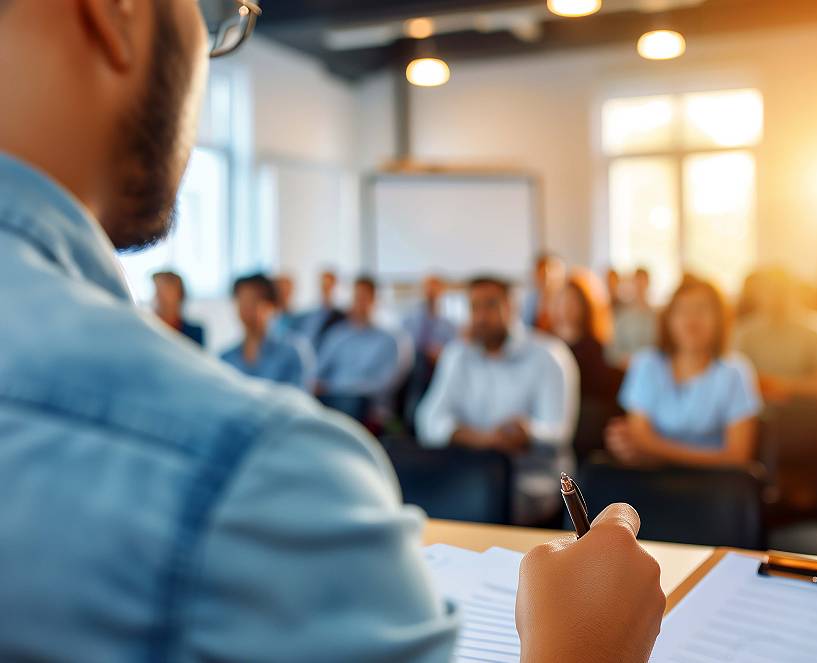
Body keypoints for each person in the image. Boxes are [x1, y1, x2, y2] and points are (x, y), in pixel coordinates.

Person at [0, 1, 665, 660]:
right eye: (213, 18)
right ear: (117, 12)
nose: (211, 52)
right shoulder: (259, 475)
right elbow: (432, 420)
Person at [416, 276, 580, 525]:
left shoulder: (548, 355)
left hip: (529, 483)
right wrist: (484, 440)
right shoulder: (458, 355)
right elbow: (428, 420)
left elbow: (558, 432)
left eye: (491, 305)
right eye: (475, 307)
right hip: (467, 474)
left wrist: (528, 433)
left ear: (512, 307)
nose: (481, 316)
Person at [605, 276, 762, 468]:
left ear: (720, 319)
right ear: (668, 318)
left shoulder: (735, 371)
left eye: (702, 309)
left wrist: (655, 454)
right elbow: (639, 436)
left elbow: (737, 455)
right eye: (682, 310)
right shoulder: (646, 364)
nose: (691, 320)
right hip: (653, 479)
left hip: (715, 481)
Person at [734, 267, 817, 403]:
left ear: (796, 292)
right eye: (769, 290)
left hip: (808, 408)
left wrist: (781, 387)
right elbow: (731, 378)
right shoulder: (744, 332)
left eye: (782, 290)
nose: (776, 298)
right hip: (758, 408)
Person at [552, 270, 624, 459]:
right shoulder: (548, 346)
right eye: (562, 300)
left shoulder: (597, 349)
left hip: (584, 428)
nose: (566, 308)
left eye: (573, 302)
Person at [315, 276, 405, 421]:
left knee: (350, 403)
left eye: (364, 298)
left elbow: (384, 384)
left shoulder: (387, 340)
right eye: (356, 297)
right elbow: (318, 371)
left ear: (374, 301)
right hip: (331, 396)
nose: (359, 303)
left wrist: (341, 388)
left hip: (365, 401)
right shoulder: (336, 335)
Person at [220, 273, 314, 390]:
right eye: (241, 300)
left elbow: (298, 396)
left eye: (253, 300)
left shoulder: (293, 351)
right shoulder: (226, 358)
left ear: (272, 306)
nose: (246, 307)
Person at [401, 275, 458, 425]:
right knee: (420, 360)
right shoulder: (408, 320)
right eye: (428, 291)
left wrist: (441, 354)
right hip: (413, 367)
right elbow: (403, 348)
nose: (431, 295)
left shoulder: (450, 325)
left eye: (435, 291)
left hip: (439, 368)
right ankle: (412, 417)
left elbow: (454, 352)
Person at [607, 267, 658, 369]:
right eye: (637, 281)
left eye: (643, 281)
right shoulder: (622, 315)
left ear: (648, 283)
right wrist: (627, 361)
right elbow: (612, 351)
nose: (640, 286)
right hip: (627, 370)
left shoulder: (657, 316)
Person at [151, 270, 205, 347]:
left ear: (180, 295)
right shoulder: (148, 331)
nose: (160, 297)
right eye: (157, 290)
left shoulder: (195, 333)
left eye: (166, 291)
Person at [296, 269, 347, 350]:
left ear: (335, 287)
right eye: (324, 286)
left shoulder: (342, 317)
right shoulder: (309, 316)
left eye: (329, 286)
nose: (326, 290)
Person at [521, 252, 566, 332]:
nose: (547, 274)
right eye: (541, 270)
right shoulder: (530, 301)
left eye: (552, 269)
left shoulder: (567, 304)